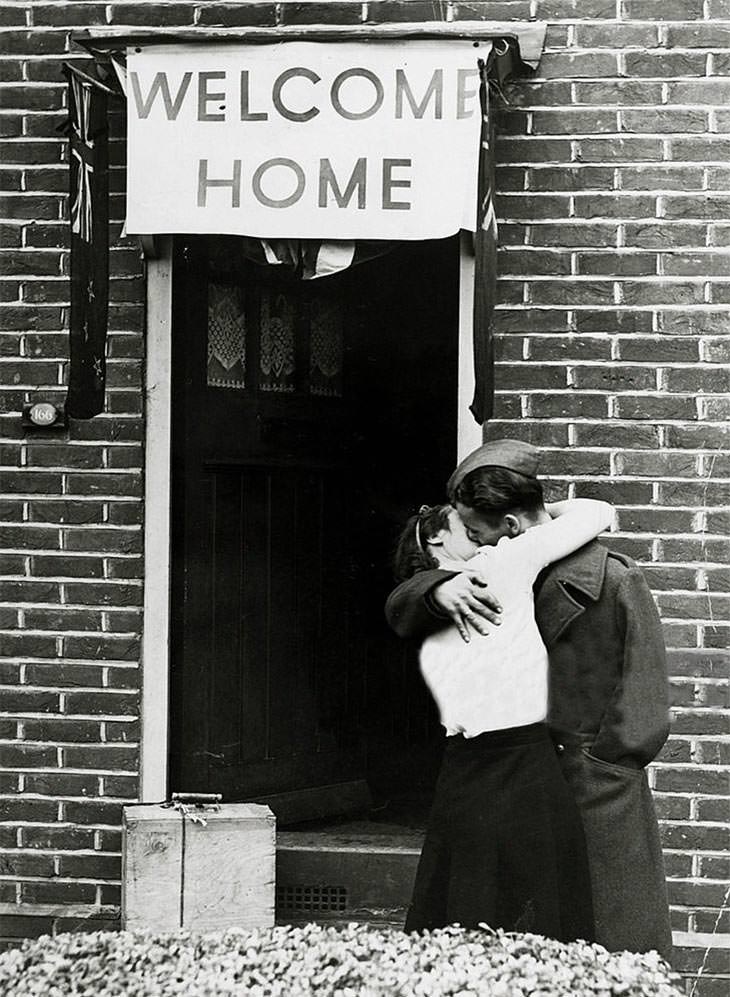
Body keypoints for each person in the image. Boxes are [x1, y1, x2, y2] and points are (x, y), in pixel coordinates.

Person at [386, 439, 673, 960]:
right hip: (525, 775)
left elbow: (644, 693)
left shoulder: (607, 576)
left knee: (614, 943)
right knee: (523, 940)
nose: (471, 542)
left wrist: (609, 763)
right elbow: (410, 587)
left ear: (511, 527)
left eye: (474, 532)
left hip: (594, 781)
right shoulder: (486, 571)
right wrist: (435, 588)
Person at [394, 485, 614, 942]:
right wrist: (528, 514)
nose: (482, 530)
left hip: (504, 761)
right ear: (435, 540)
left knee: (484, 908)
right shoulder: (499, 566)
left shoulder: (493, 566)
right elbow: (596, 511)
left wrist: (521, 514)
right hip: (486, 764)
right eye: (466, 522)